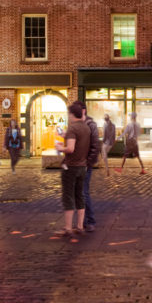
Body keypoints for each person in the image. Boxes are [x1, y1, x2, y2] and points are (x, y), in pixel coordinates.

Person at [57, 101, 91, 241]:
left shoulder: (72, 128)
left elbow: (70, 148)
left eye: (69, 114)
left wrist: (60, 148)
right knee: (79, 195)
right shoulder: (86, 127)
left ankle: (68, 228)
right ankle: (80, 226)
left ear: (72, 114)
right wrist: (65, 135)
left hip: (71, 166)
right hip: (82, 166)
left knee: (68, 196)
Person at [81, 106, 101, 231]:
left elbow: (95, 146)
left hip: (84, 165)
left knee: (84, 192)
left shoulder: (90, 125)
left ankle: (89, 220)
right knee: (79, 193)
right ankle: (82, 221)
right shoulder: (79, 124)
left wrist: (88, 163)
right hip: (78, 164)